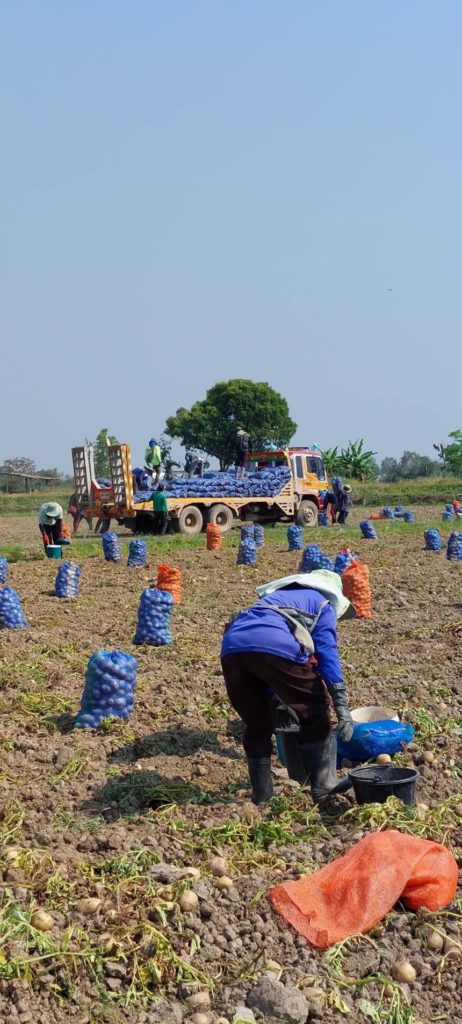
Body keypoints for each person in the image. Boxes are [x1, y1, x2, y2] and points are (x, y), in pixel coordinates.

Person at [221, 569, 355, 806]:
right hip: (274, 644)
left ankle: (262, 796)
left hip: (232, 647)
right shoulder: (322, 604)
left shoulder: (271, 601)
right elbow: (326, 652)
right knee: (315, 708)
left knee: (257, 723)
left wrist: (279, 698)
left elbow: (263, 661)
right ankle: (324, 785)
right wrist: (340, 703)